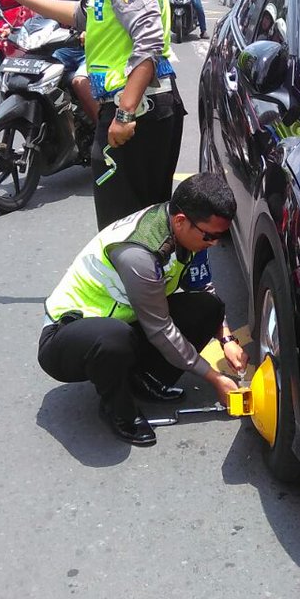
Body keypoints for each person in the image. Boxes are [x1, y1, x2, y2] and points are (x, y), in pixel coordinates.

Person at [0, 0, 185, 229]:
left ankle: (137, 283)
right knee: (139, 228)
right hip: (139, 108)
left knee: (125, 232)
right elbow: (79, 14)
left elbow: (150, 39)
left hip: (137, 111)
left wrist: (125, 113)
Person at [38, 172, 249, 446]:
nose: (216, 243)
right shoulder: (139, 256)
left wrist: (227, 339)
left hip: (127, 321)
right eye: (211, 236)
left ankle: (143, 377)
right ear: (181, 222)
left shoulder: (187, 230)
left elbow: (203, 286)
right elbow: (160, 328)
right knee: (113, 338)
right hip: (67, 339)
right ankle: (118, 410)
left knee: (209, 308)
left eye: (222, 236)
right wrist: (215, 377)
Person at [50, 0, 100, 124]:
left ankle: (102, 131)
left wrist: (91, 33)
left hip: (93, 51)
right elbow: (43, 19)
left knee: (80, 83)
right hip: (64, 51)